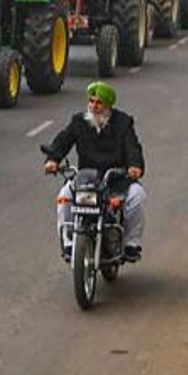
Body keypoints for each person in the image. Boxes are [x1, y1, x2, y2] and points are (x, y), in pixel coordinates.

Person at [42, 81, 147, 262]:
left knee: (137, 195)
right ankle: (68, 243)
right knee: (64, 196)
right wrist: (52, 160)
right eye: (91, 102)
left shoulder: (123, 122)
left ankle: (131, 243)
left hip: (116, 179)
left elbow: (132, 147)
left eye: (98, 103)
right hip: (86, 179)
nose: (93, 106)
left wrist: (134, 166)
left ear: (108, 106)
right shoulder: (79, 121)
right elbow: (63, 141)